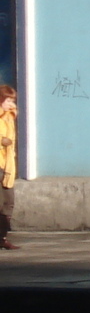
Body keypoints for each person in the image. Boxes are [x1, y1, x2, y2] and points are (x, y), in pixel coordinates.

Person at [0, 84, 17, 250]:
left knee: (8, 202)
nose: (10, 103)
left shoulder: (9, 117)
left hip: (7, 165)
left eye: (12, 100)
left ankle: (2, 237)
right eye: (7, 99)